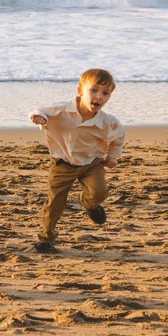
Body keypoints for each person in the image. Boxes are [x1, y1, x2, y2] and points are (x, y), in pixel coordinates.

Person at [28, 68, 125, 254]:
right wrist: (37, 116)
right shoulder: (62, 110)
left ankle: (89, 204)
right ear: (80, 90)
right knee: (54, 203)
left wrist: (112, 156)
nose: (99, 97)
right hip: (62, 163)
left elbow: (118, 138)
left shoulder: (108, 122)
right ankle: (46, 239)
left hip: (91, 163)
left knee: (99, 191)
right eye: (93, 90)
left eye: (105, 93)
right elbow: (41, 111)